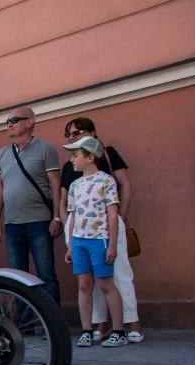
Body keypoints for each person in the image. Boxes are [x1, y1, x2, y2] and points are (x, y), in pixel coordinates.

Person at [60, 117, 142, 343]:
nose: (71, 137)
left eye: (76, 132)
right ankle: (99, 324)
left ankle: (131, 323)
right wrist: (67, 225)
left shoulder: (107, 153)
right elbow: (65, 198)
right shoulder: (70, 165)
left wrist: (121, 216)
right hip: (79, 229)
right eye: (68, 134)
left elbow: (124, 184)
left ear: (93, 132)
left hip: (108, 224)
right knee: (89, 280)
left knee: (119, 274)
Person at [0, 106, 62, 306]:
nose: (9, 125)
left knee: (45, 275)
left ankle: (52, 321)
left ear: (30, 122)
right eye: (7, 122)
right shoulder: (2, 154)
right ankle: (25, 324)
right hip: (12, 224)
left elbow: (55, 185)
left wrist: (56, 217)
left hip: (39, 222)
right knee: (17, 277)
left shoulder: (45, 148)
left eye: (14, 120)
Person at [63, 136, 126, 347]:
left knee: (107, 284)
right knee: (84, 285)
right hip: (79, 241)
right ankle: (87, 330)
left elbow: (112, 215)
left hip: (99, 240)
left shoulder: (106, 181)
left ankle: (118, 330)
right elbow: (72, 218)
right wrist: (71, 245)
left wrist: (112, 245)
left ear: (90, 157)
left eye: (75, 155)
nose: (72, 159)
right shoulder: (75, 185)